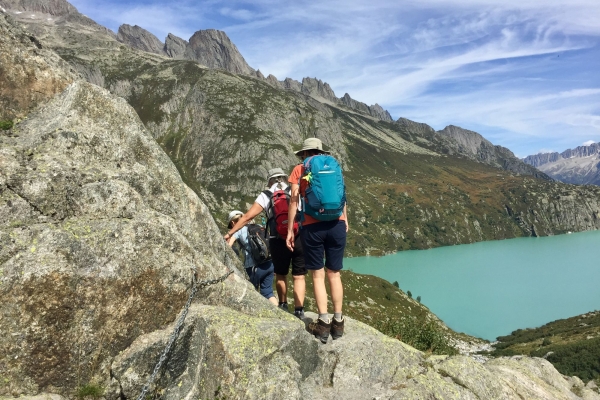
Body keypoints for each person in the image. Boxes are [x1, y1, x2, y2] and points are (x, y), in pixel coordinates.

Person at [286, 138, 348, 343]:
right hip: (337, 224)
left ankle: (323, 324)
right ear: (320, 151)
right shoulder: (333, 165)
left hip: (313, 226)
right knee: (335, 273)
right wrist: (345, 219)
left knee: (318, 275)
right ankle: (338, 322)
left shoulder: (300, 169)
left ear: (304, 153)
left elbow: (294, 200)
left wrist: (290, 230)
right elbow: (342, 195)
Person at [224, 169, 308, 317]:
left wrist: (230, 233)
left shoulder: (267, 194)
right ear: (284, 178)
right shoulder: (294, 188)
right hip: (298, 237)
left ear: (270, 181)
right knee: (299, 276)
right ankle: (299, 310)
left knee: (281, 274)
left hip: (277, 239)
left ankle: (283, 306)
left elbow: (247, 217)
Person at [225, 210, 278, 306]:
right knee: (268, 292)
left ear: (233, 222)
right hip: (269, 264)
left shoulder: (238, 231)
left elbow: (228, 246)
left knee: (252, 294)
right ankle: (280, 315)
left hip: (253, 267)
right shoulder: (258, 226)